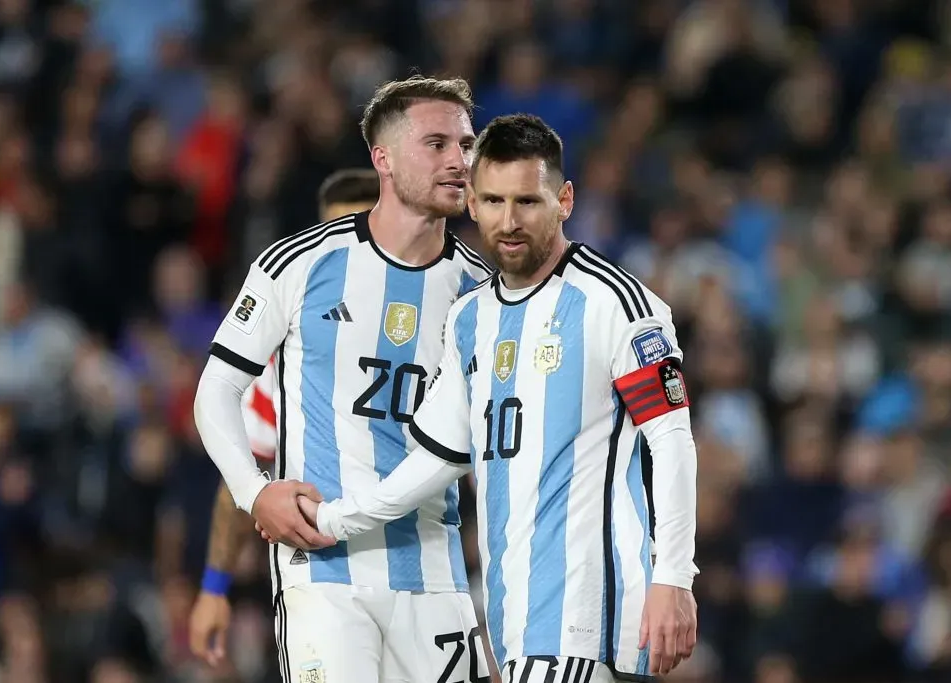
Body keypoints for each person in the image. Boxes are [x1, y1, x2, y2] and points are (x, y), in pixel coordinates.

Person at [291, 114, 700, 682]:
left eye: (528, 202)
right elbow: (436, 460)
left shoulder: (615, 304)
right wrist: (336, 518)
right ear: (472, 204)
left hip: (583, 616)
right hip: (513, 623)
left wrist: (674, 576)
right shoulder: (470, 319)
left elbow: (672, 439)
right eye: (493, 201)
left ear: (565, 200)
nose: (509, 222)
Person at [192, 75, 493, 683]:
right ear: (383, 158)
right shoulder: (299, 264)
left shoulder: (483, 293)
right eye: (437, 144)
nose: (459, 160)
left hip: (435, 571)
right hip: (323, 569)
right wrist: (256, 493)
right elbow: (214, 392)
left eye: (465, 144)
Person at [188, 168, 381, 667]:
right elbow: (242, 474)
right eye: (331, 235)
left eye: (358, 233)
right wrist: (214, 587)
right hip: (324, 578)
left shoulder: (441, 328)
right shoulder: (278, 369)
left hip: (430, 575)